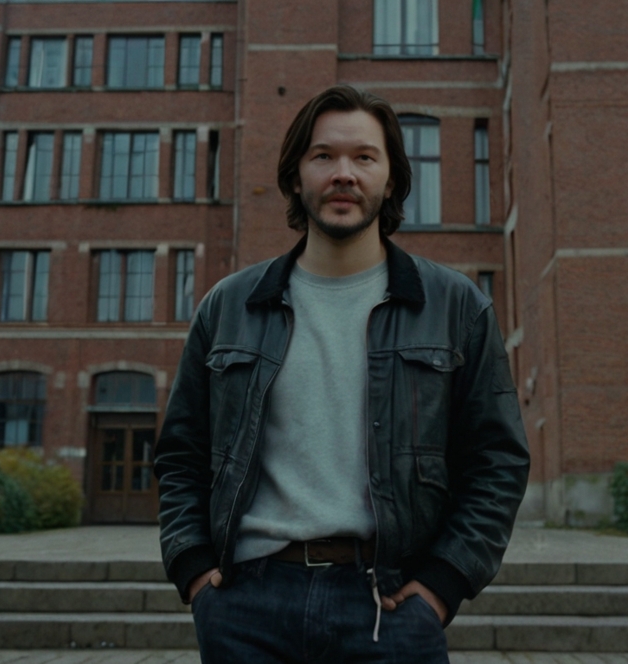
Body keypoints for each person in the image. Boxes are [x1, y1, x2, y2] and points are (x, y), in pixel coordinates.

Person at [154, 85, 529, 663]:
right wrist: (195, 572)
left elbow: (497, 461)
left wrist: (443, 585)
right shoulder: (228, 306)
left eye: (364, 157)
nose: (343, 174)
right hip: (246, 604)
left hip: (391, 608)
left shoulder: (456, 307)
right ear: (295, 175)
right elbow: (180, 452)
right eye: (323, 156)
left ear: (392, 177)